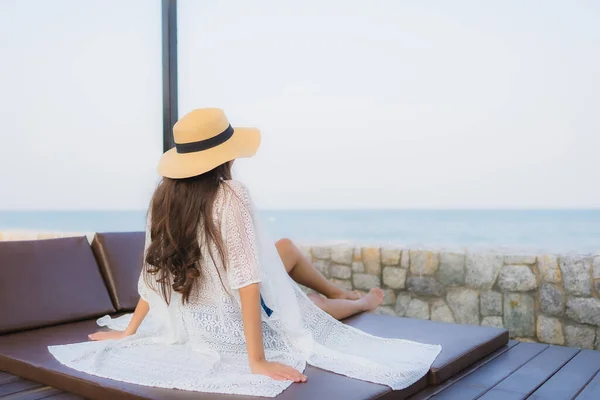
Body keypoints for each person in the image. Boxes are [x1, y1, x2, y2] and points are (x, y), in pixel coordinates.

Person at [48, 108, 441, 397]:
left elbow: (153, 276)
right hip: (233, 319)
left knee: (284, 251)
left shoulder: (162, 199)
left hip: (193, 318)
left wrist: (129, 331)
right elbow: (246, 279)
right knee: (302, 316)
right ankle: (357, 302)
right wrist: (257, 360)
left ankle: (338, 295)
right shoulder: (230, 194)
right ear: (225, 155)